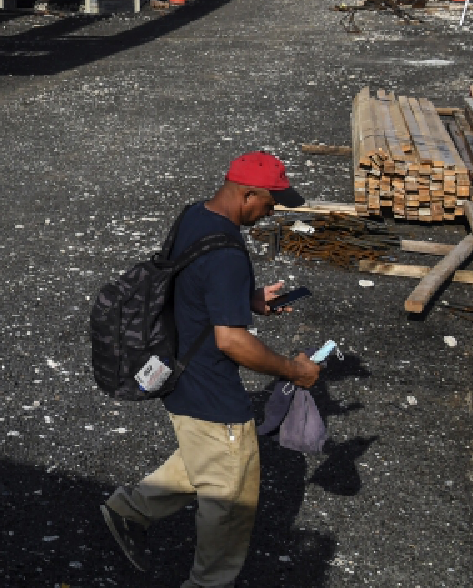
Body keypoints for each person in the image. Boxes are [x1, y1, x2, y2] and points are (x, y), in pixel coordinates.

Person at [99, 150, 323, 587]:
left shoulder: (194, 217)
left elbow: (189, 284)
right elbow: (232, 341)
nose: (271, 210)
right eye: (270, 202)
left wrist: (244, 300)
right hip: (211, 391)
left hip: (174, 372)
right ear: (248, 193)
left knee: (206, 461)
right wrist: (294, 371)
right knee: (232, 498)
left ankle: (128, 511)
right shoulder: (228, 256)